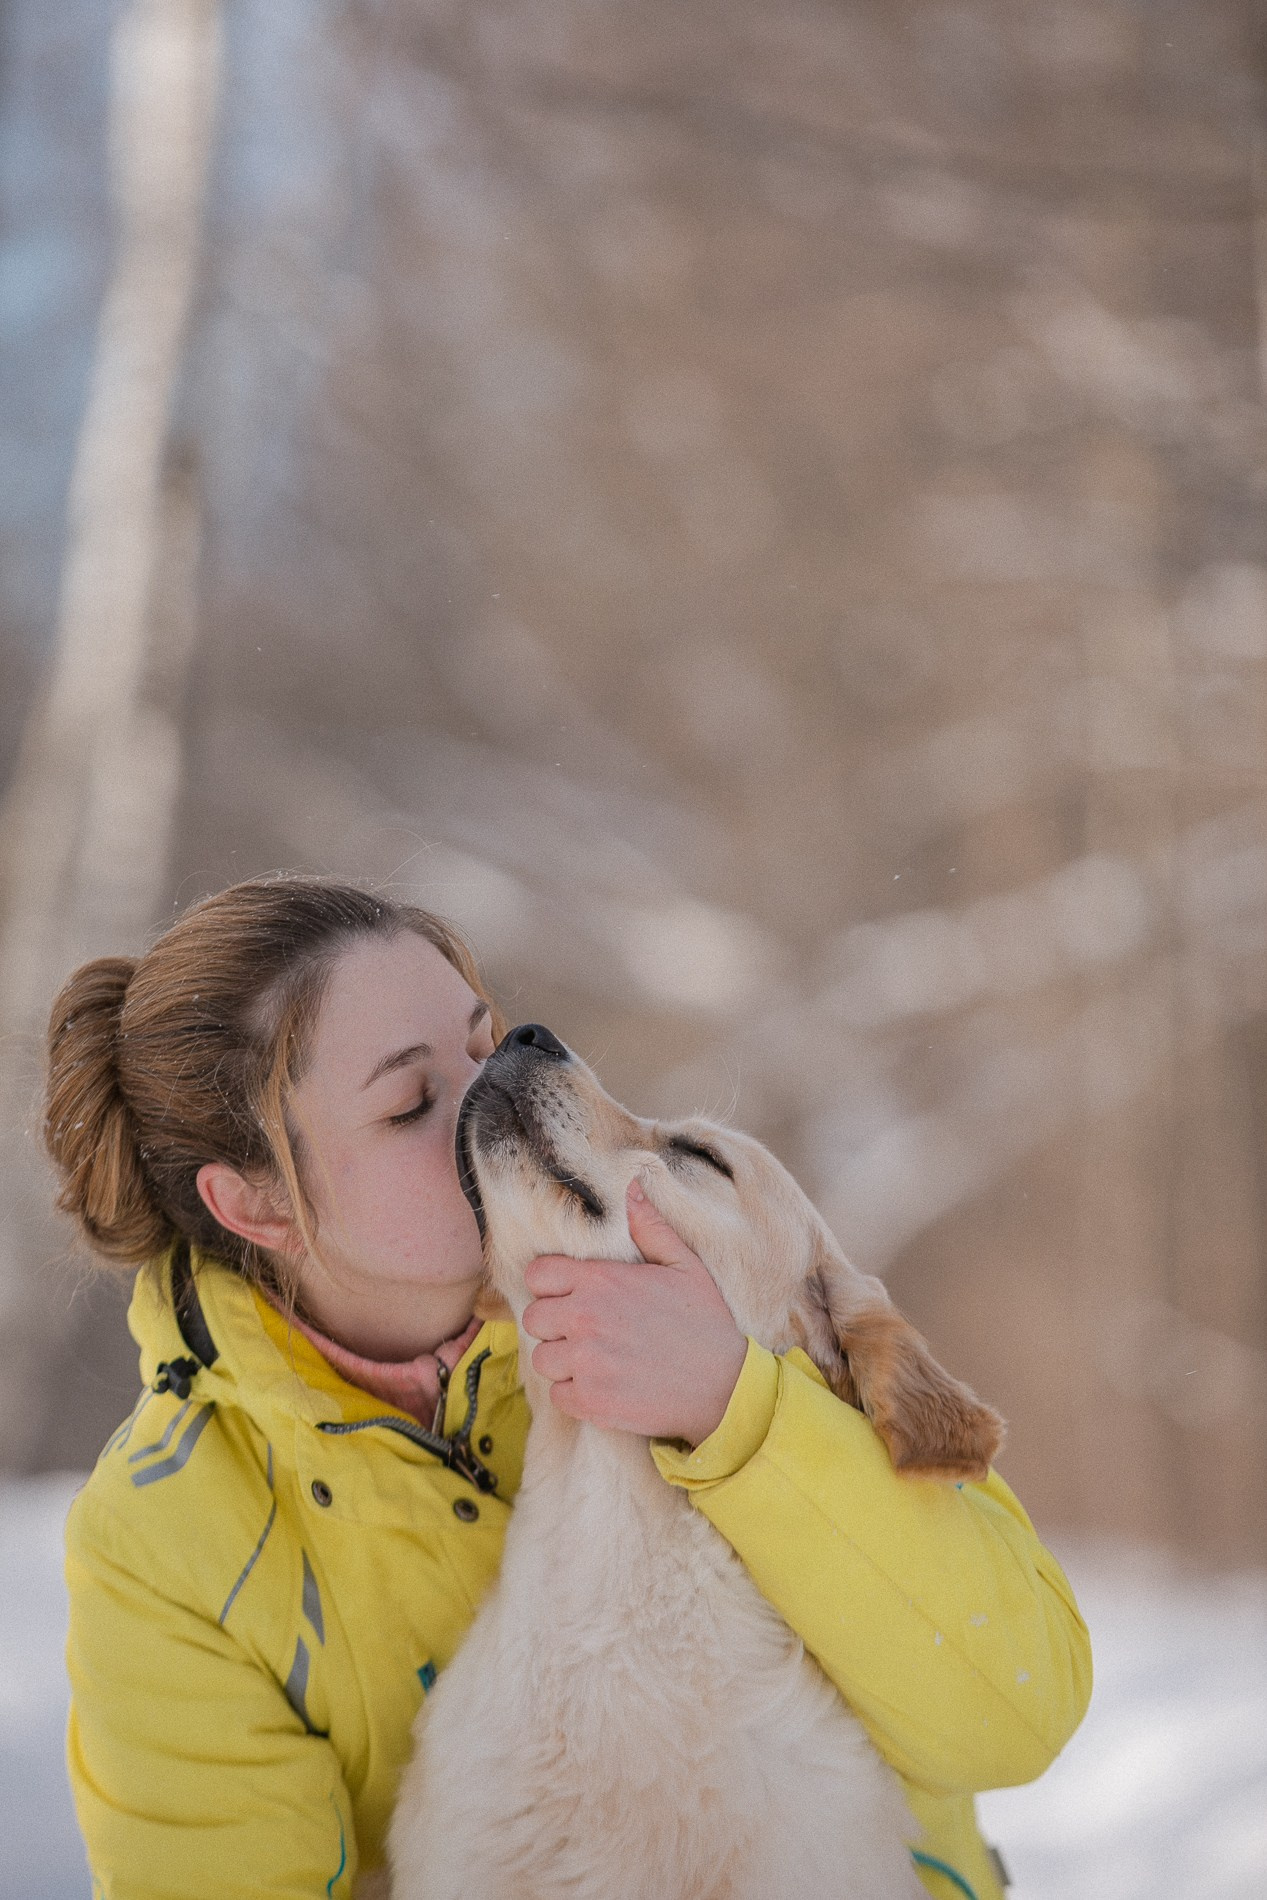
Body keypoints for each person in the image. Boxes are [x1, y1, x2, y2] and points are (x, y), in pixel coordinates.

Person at [47, 876, 1090, 1900]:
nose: (487, 1082)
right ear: (258, 1205)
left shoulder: (758, 1338)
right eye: (411, 1102)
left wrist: (740, 1411)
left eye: (480, 1035)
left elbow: (1015, 1709)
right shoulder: (167, 1537)